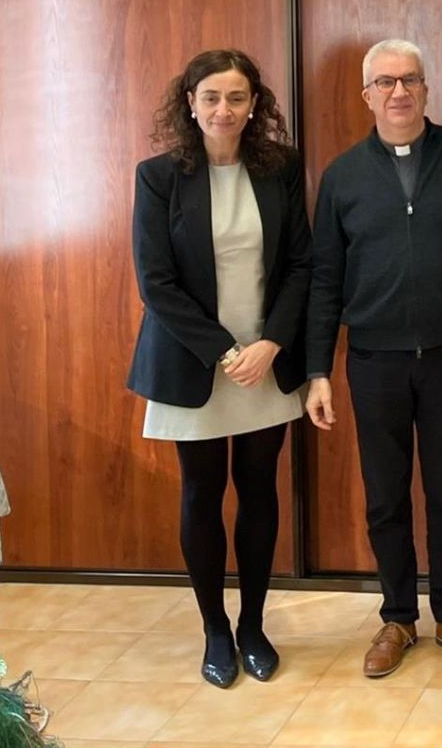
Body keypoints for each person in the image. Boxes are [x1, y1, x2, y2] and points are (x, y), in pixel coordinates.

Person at [303, 38, 442, 677]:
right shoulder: (341, 176)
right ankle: (396, 618)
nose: (398, 92)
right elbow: (325, 279)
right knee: (385, 497)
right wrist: (316, 371)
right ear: (367, 95)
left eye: (410, 80)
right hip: (373, 361)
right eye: (385, 82)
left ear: (426, 89)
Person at [129, 48, 311, 688]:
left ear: (254, 104)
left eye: (236, 98)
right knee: (202, 494)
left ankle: (254, 625)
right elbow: (157, 283)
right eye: (211, 97)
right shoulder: (159, 176)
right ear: (190, 103)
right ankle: (214, 630)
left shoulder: (280, 169)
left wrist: (271, 344)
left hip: (265, 361)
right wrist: (225, 350)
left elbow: (299, 265)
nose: (223, 110)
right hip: (195, 363)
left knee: (260, 491)